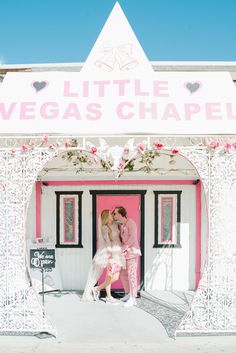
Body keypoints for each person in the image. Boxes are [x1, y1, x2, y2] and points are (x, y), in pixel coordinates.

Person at [82, 209, 125, 304]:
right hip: (111, 252)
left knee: (116, 277)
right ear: (106, 217)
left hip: (118, 251)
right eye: (110, 214)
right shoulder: (105, 228)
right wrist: (109, 255)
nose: (112, 215)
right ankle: (108, 297)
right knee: (110, 275)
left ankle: (96, 289)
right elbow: (107, 241)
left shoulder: (115, 223)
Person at [113, 206, 141, 307]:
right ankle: (128, 293)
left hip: (132, 252)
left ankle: (133, 298)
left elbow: (133, 238)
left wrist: (123, 248)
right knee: (123, 274)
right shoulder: (121, 224)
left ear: (120, 214)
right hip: (125, 253)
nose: (114, 215)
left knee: (131, 275)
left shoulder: (131, 223)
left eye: (115, 213)